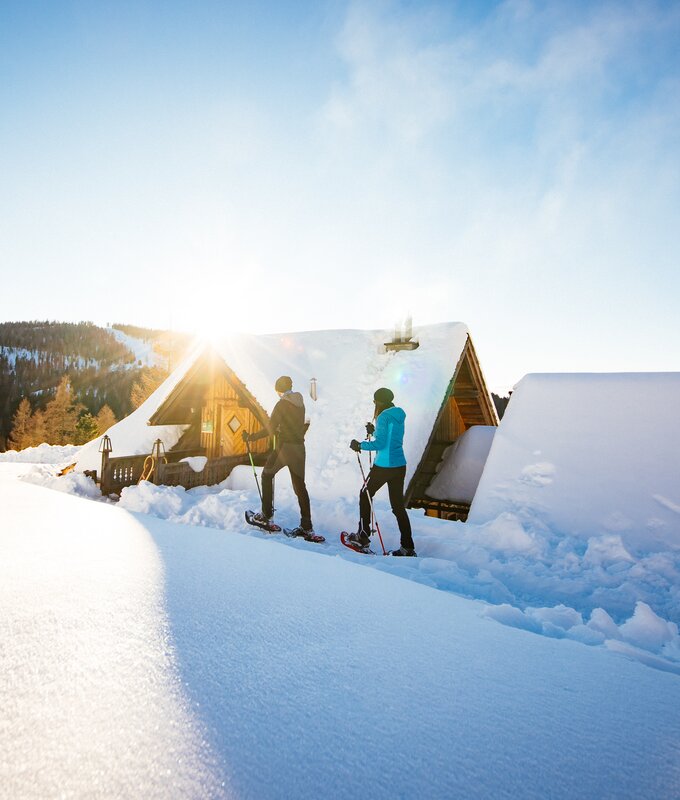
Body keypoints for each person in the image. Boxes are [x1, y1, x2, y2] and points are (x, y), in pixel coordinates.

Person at [346, 387, 417, 557]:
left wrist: (360, 445)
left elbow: (381, 445)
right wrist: (374, 431)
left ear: (378, 402)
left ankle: (362, 536)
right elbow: (390, 437)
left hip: (384, 465)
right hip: (399, 465)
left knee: (365, 494)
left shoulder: (383, 416)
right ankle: (407, 546)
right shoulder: (398, 414)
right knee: (398, 507)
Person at [242, 375, 314, 537]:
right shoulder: (300, 403)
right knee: (300, 486)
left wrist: (250, 438)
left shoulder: (282, 404)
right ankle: (307, 526)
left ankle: (266, 516)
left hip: (284, 448)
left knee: (267, 475)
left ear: (279, 390)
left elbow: (271, 428)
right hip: (299, 449)